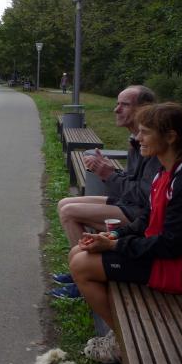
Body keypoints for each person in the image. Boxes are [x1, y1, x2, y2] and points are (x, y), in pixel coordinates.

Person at [69, 103, 182, 363]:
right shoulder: (166, 171)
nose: (138, 138)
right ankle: (121, 335)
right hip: (163, 256)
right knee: (79, 250)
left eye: (145, 132)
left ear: (170, 137)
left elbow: (175, 245)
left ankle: (123, 345)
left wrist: (114, 247)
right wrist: (114, 236)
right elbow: (147, 219)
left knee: (81, 265)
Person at [50, 86, 159, 299]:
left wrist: (108, 174)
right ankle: (80, 267)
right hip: (129, 204)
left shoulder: (152, 143)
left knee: (69, 212)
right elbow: (134, 181)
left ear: (144, 108)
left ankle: (85, 272)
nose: (116, 109)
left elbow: (144, 196)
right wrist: (110, 171)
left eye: (124, 104)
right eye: (117, 103)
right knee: (64, 203)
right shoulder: (136, 139)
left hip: (140, 214)